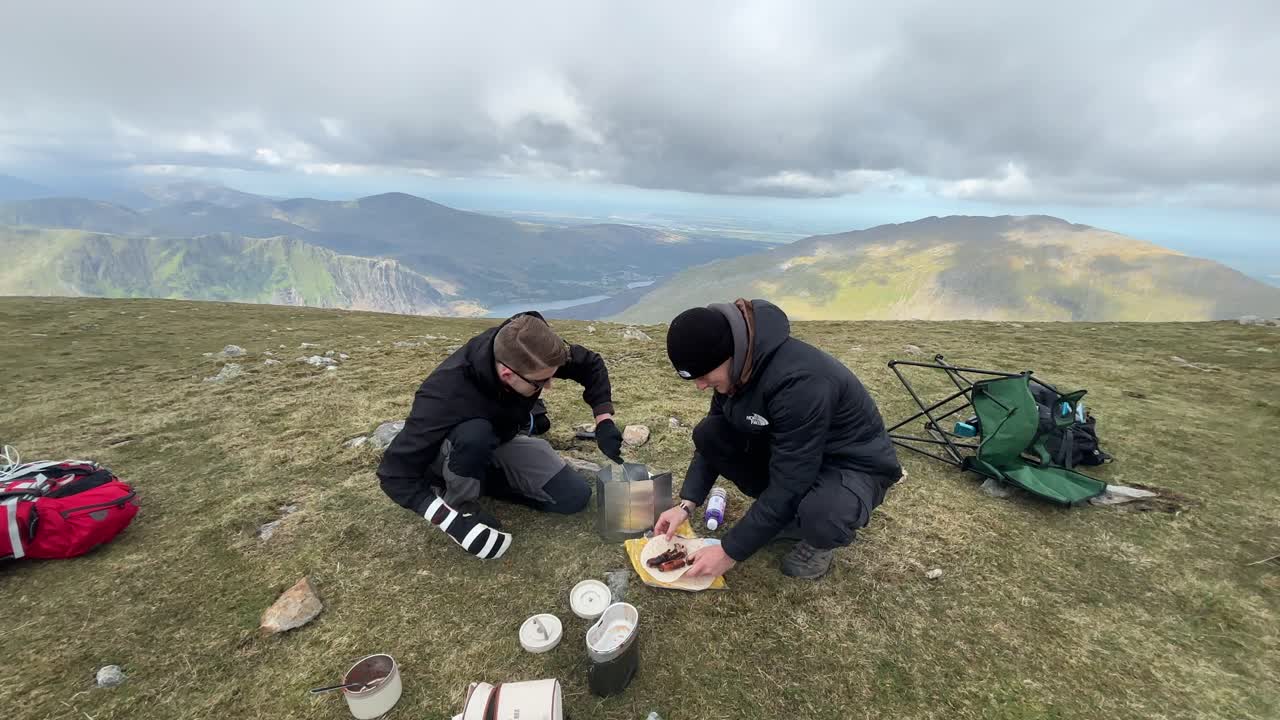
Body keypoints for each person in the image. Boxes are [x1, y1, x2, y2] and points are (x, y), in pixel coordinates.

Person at [654, 299, 902, 579]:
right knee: (709, 433)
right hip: (794, 453)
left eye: (703, 375)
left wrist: (729, 551)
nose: (700, 386)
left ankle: (818, 539)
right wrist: (687, 504)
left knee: (823, 513)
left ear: (727, 354)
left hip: (851, 466)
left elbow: (792, 479)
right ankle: (784, 518)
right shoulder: (738, 368)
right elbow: (712, 438)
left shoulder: (799, 382)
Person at [378, 312, 624, 560]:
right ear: (508, 374)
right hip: (456, 448)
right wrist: (450, 522)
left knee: (574, 497)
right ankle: (457, 502)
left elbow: (590, 364)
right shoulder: (443, 395)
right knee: (475, 435)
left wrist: (603, 420)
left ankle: (481, 479)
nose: (550, 385)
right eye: (541, 382)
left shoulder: (530, 348)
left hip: (500, 438)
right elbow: (394, 475)